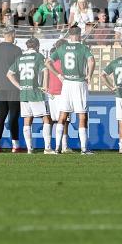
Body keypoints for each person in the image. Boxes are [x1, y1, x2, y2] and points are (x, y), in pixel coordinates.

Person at [46, 26, 95, 154]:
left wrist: (58, 75)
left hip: (66, 83)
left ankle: (57, 148)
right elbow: (91, 60)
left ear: (69, 35)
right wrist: (89, 75)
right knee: (82, 115)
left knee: (62, 115)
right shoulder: (83, 48)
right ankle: (84, 149)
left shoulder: (62, 48)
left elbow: (47, 62)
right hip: (79, 83)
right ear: (79, 35)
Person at [7, 36, 48, 154]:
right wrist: (45, 86)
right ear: (37, 46)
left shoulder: (21, 58)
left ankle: (29, 148)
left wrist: (19, 86)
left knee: (27, 119)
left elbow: (9, 74)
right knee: (46, 118)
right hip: (35, 92)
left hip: (24, 93)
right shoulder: (38, 56)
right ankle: (48, 148)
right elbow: (45, 70)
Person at [0, 27, 22, 151]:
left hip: (1, 87)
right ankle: (15, 145)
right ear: (12, 34)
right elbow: (19, 69)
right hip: (13, 87)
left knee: (1, 115)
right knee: (13, 116)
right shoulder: (16, 49)